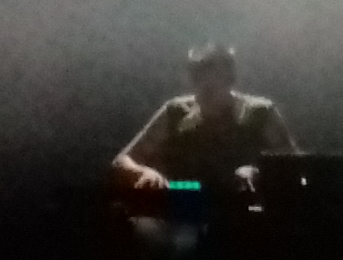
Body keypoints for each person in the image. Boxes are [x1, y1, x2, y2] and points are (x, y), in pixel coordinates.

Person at [113, 43, 297, 198]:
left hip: (246, 206)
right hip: (188, 202)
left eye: (211, 85)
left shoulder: (261, 113)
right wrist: (145, 172)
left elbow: (294, 166)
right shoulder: (176, 111)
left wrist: (258, 173)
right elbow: (122, 160)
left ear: (230, 80)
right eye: (197, 80)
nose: (203, 91)